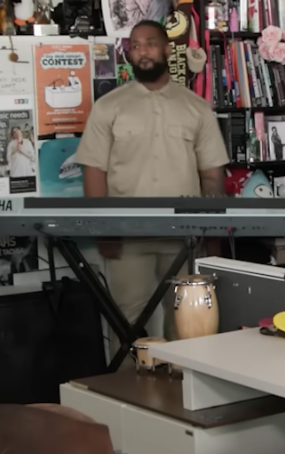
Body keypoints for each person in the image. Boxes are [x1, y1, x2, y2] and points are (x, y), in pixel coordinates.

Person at [76, 20, 228, 340]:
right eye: (135, 46)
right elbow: (94, 171)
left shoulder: (196, 108)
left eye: (149, 44)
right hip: (127, 238)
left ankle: (184, 388)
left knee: (187, 322)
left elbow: (212, 174)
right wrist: (103, 230)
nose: (142, 52)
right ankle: (129, 388)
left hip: (183, 240)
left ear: (166, 48)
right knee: (127, 323)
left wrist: (209, 223)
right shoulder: (108, 108)